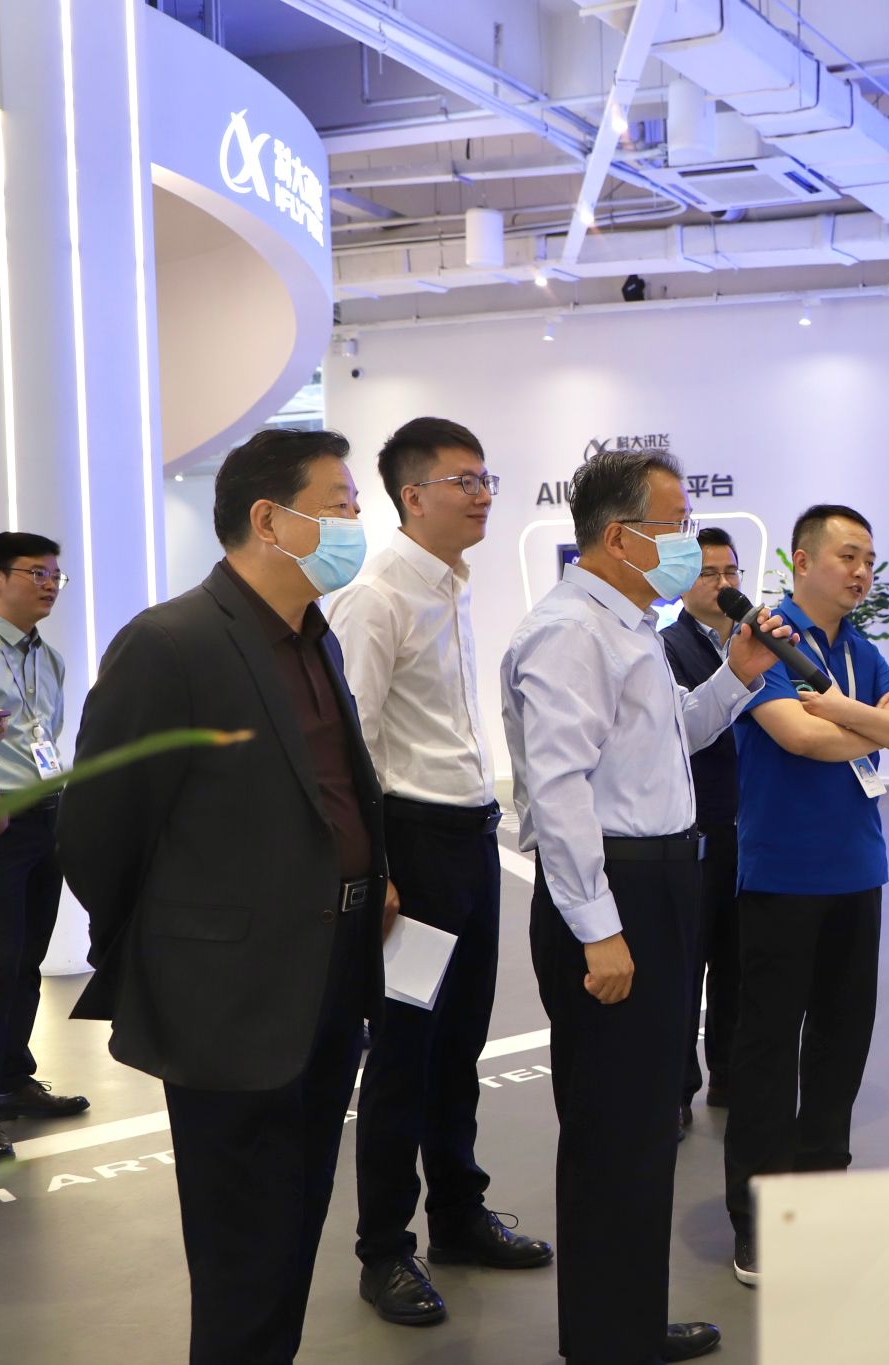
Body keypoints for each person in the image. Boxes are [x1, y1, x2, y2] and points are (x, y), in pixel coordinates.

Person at [57, 429, 391, 1363]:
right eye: (339, 504)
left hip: (330, 974)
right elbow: (99, 830)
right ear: (268, 519)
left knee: (293, 1229)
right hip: (229, 999)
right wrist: (177, 952)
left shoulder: (315, 638)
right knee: (242, 1250)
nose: (354, 522)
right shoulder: (171, 644)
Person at [502, 446, 793, 1365]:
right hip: (616, 889)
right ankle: (605, 1339)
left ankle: (624, 1320)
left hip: (660, 879)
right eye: (674, 526)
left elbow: (674, 739)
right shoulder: (569, 632)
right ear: (621, 536)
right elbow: (560, 791)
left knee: (641, 1126)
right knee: (612, 1127)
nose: (688, 545)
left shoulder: (629, 625)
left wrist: (738, 673)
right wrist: (600, 929)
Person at [327, 417, 552, 1329]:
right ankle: (385, 1249)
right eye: (465, 480)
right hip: (412, 853)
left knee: (459, 1042)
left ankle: (459, 1213)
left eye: (487, 478)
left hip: (467, 841)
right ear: (412, 495)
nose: (483, 493)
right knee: (404, 1055)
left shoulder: (450, 582)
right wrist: (379, 868)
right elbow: (350, 749)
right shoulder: (375, 596)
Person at [723, 504, 889, 1286]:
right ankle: (759, 1220)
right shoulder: (765, 639)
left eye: (868, 558)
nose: (861, 571)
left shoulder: (861, 650)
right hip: (782, 875)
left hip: (857, 871)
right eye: (847, 555)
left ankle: (821, 1193)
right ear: (802, 561)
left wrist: (841, 710)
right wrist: (872, 724)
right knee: (769, 1053)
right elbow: (797, 737)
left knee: (842, 1045)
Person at [0, 531, 89, 1168]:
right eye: (36, 573)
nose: (50, 584)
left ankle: (13, 1078)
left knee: (27, 960)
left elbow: (46, 731)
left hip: (46, 818)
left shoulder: (49, 657)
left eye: (55, 575)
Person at [660, 527, 744, 1137]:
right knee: (686, 968)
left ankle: (731, 1077)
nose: (722, 583)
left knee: (739, 963)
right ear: (685, 582)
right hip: (696, 830)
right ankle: (676, 1088)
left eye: (731, 571)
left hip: (750, 828)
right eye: (709, 573)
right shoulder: (665, 648)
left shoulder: (760, 642)